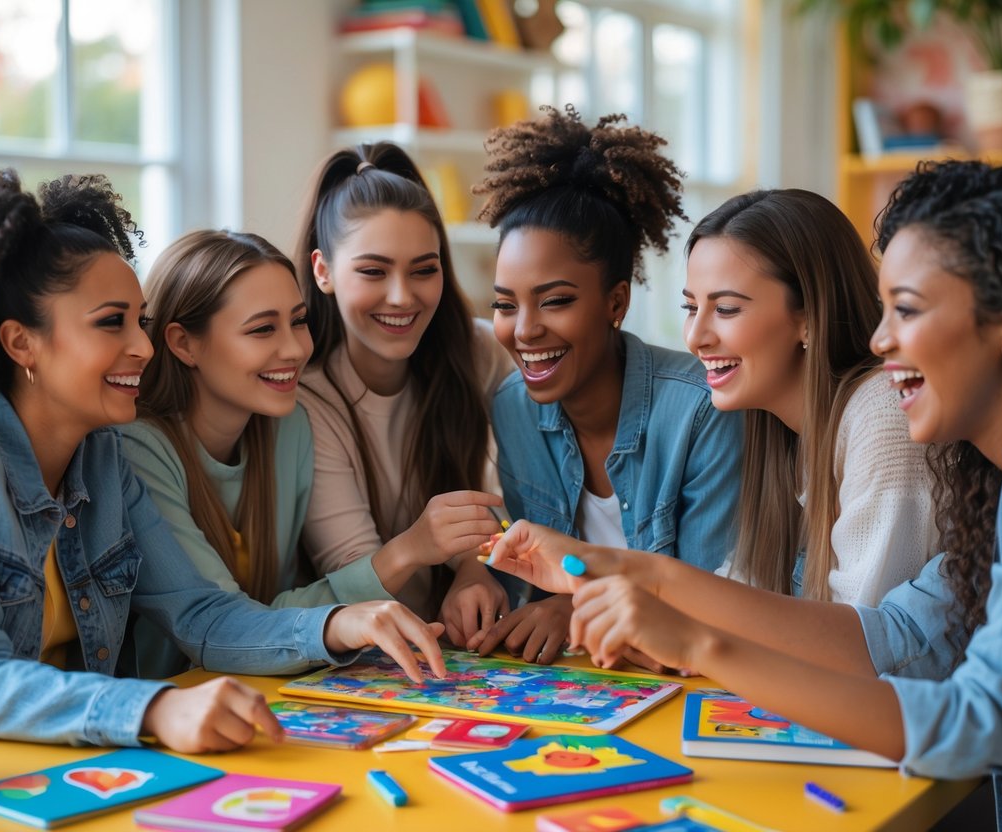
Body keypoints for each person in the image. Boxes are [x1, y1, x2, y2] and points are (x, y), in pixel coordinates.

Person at [488, 160, 1002, 830]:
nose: (880, 340)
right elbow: (897, 634)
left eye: (905, 310)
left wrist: (698, 643)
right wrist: (627, 570)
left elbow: (977, 721)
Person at [0, 168, 446, 752]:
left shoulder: (102, 457)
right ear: (21, 343)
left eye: (139, 320)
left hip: (77, 767)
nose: (142, 345)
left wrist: (338, 624)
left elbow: (203, 615)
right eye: (110, 323)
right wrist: (156, 707)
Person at [466, 105, 744, 666]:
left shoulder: (702, 408)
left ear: (616, 302)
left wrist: (576, 612)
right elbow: (539, 587)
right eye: (504, 304)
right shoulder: (514, 408)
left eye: (556, 300)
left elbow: (716, 612)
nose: (524, 331)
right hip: (592, 688)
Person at [121, 230, 411, 678]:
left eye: (298, 321)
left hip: (258, 691)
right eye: (262, 329)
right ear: (183, 344)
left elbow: (272, 609)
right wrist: (405, 555)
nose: (295, 349)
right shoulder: (137, 450)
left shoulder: (287, 427)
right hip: (164, 706)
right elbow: (221, 619)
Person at [294, 142, 512, 645]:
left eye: (423, 269)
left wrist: (474, 569)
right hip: (363, 656)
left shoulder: (479, 352)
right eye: (373, 271)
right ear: (323, 270)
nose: (402, 296)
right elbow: (353, 580)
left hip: (474, 652)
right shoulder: (307, 398)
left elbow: (509, 495)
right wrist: (420, 543)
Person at [686, 189, 937, 604]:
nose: (696, 338)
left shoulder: (883, 414)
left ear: (808, 319)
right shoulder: (781, 426)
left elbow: (863, 634)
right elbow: (744, 590)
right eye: (690, 308)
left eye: (726, 309)